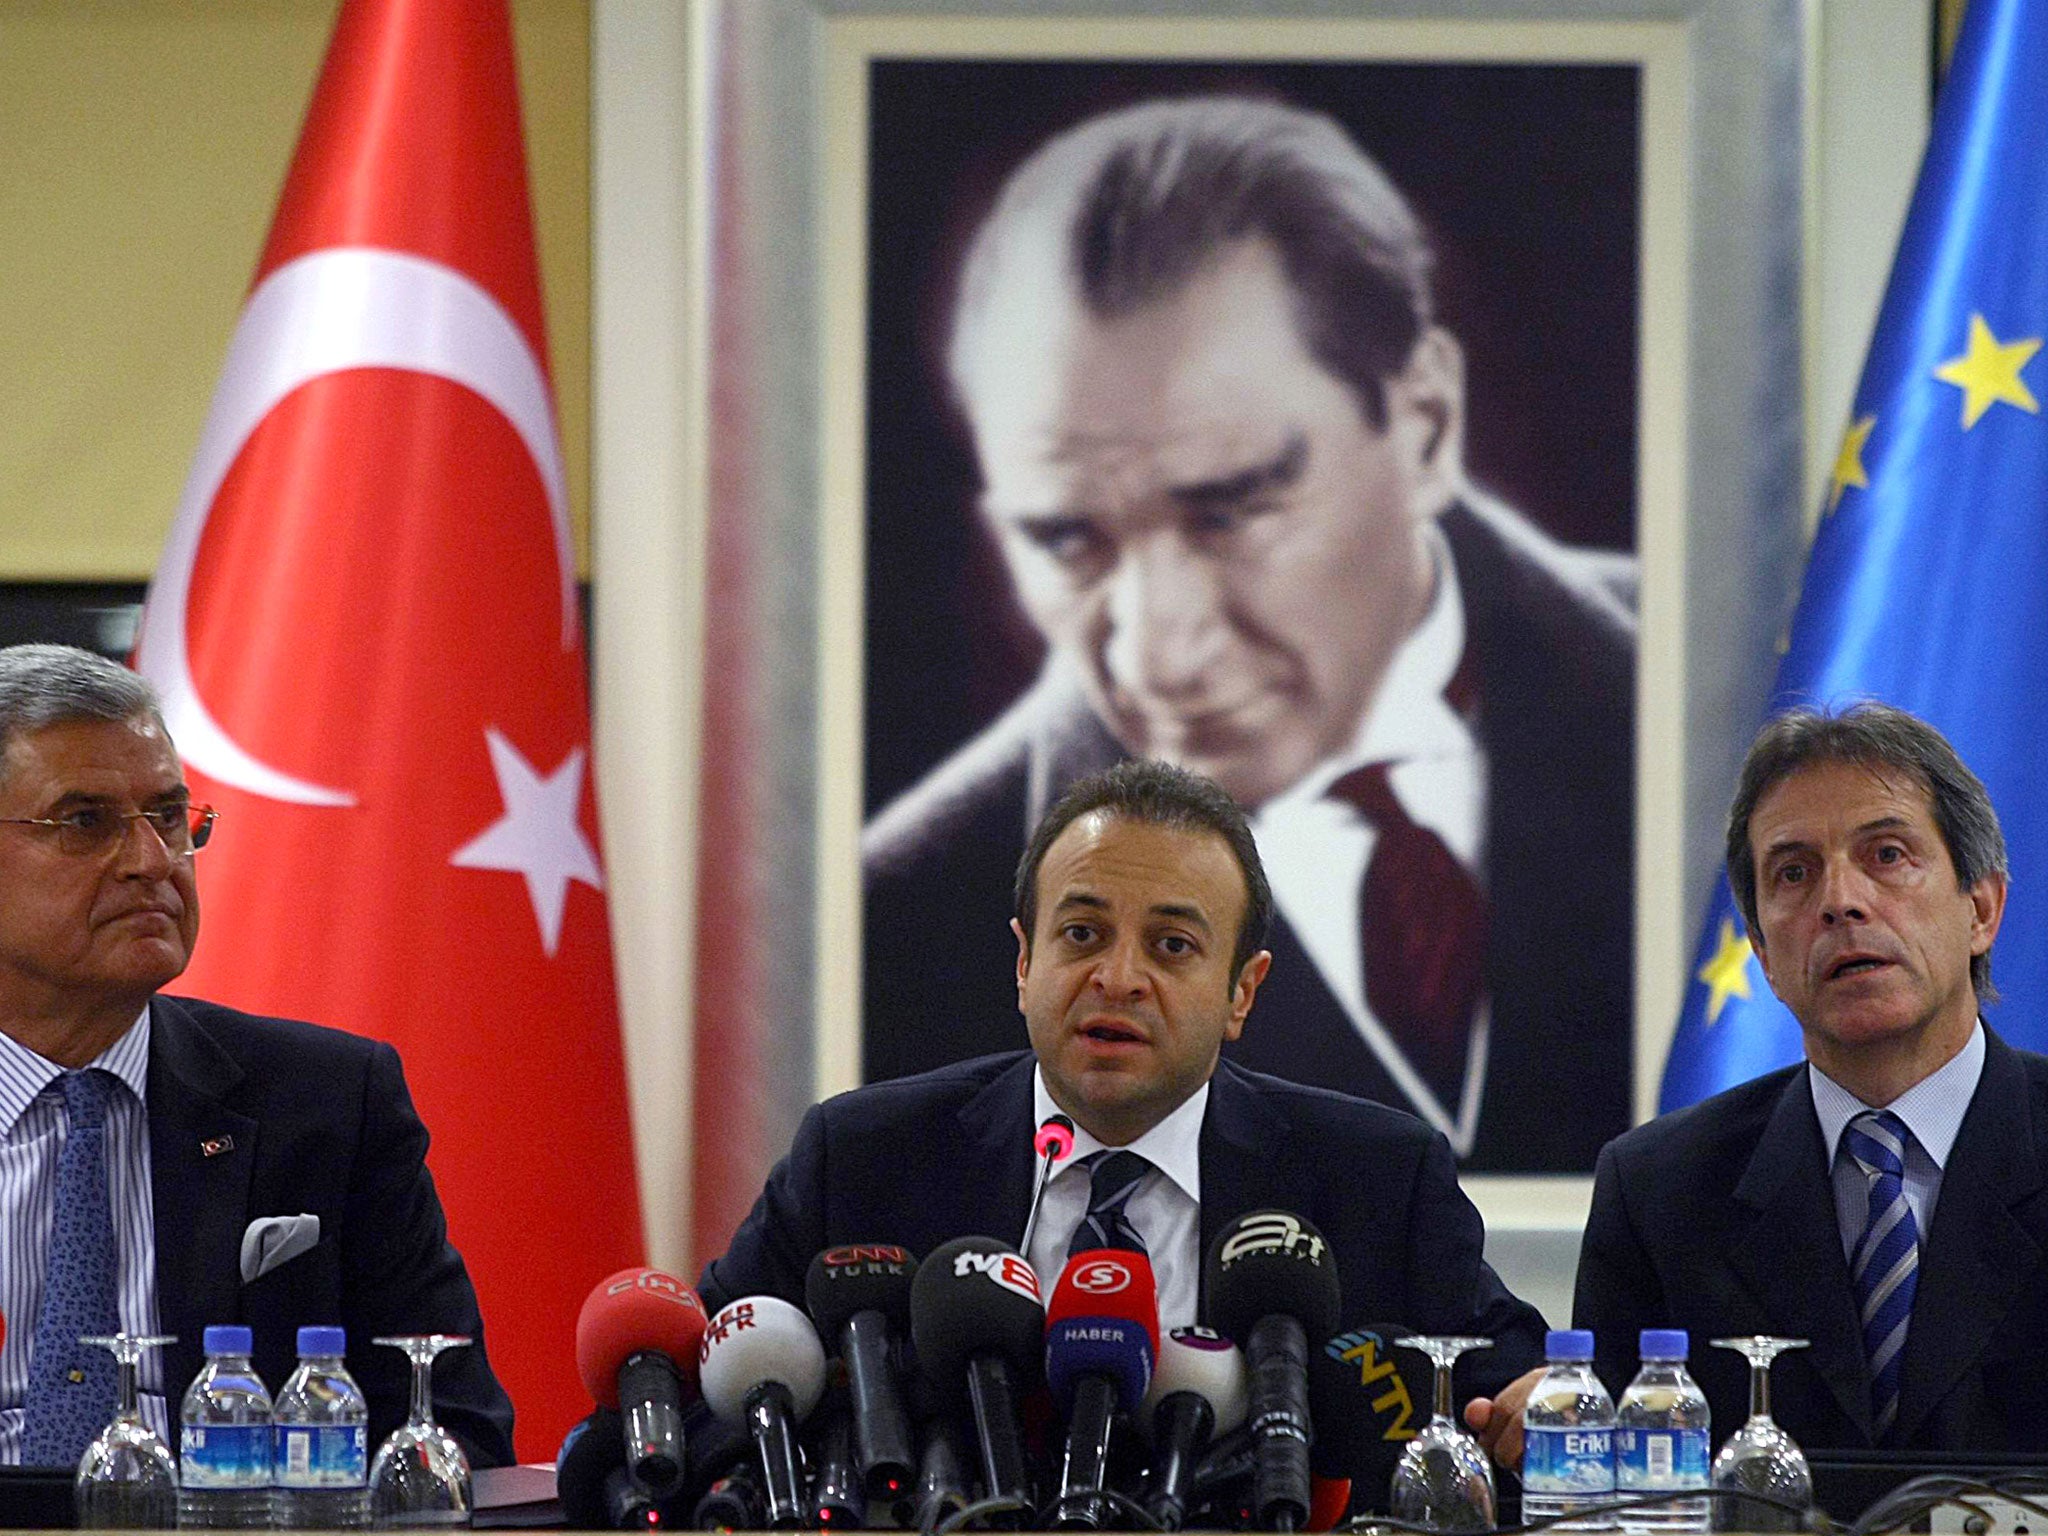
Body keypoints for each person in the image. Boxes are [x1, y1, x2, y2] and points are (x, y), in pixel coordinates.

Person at [863, 94, 1637, 1172]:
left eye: (1230, 508)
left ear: (1424, 423)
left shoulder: (1713, 712)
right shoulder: (905, 908)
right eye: (1063, 537)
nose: (1154, 650)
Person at [706, 758, 1545, 1409]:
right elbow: (697, 1387)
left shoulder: (1377, 1180)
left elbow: (1509, 1391)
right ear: (1026, 962)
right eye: (1081, 933)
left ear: (1241, 991)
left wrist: (1530, 1408)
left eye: (1172, 946)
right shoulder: (862, 1161)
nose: (1117, 977)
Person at [1467, 702, 2048, 1462]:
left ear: (1983, 909)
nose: (1840, 900)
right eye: (1795, 873)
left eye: (1887, 856)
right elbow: (1611, 1484)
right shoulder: (1660, 1189)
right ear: (1765, 954)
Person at [0, 644, 513, 1468]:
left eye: (168, 816)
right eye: (85, 822)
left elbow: (453, 1435)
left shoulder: (330, 1104)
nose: (152, 862)